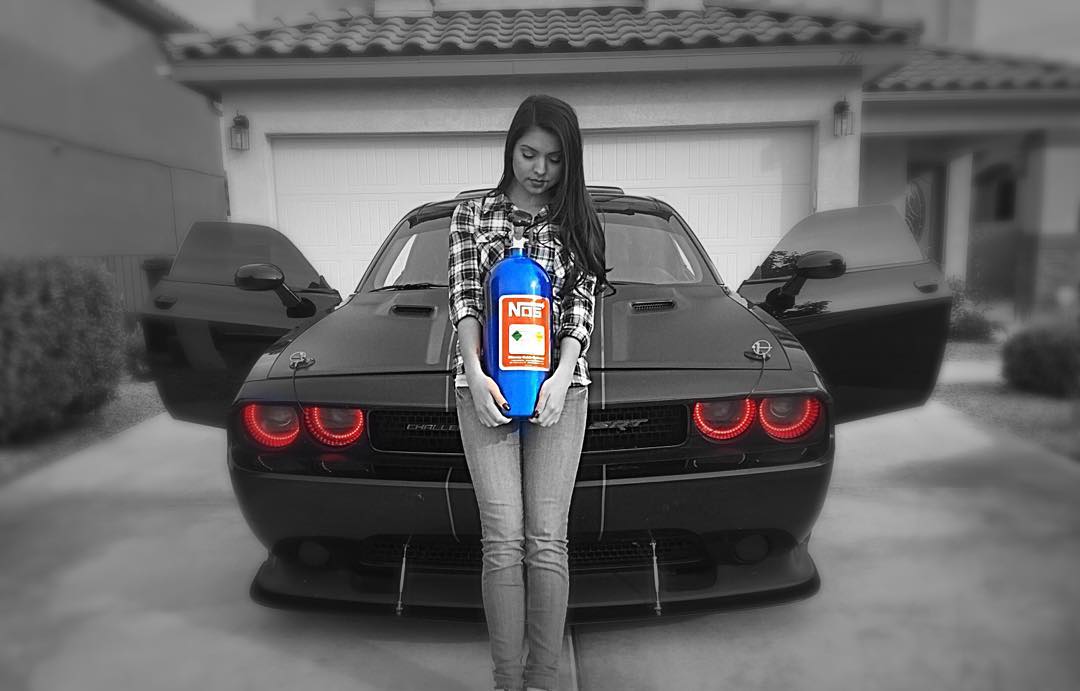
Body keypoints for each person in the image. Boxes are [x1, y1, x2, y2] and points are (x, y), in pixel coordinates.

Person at [447, 94, 609, 691]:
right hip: (483, 389)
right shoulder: (472, 215)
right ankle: (506, 682)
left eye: (555, 159)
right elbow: (465, 299)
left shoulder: (578, 222)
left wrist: (562, 379)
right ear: (510, 149)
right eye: (529, 154)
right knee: (501, 541)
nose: (540, 169)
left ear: (571, 161)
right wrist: (475, 373)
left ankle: (543, 679)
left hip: (559, 393)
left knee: (545, 541)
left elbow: (579, 309)